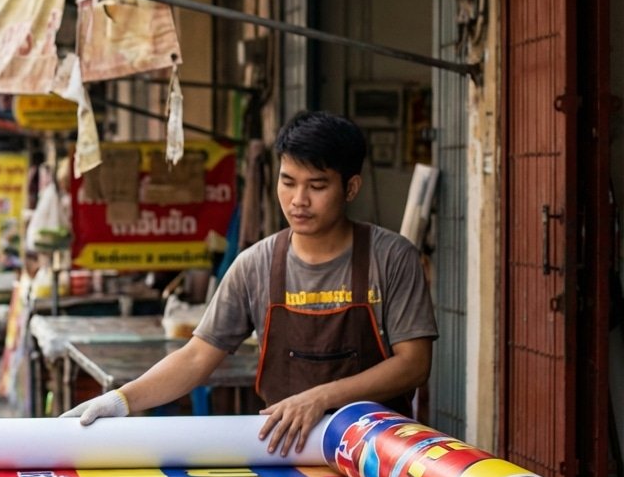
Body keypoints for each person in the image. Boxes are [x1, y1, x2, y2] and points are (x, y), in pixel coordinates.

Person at [64, 111, 437, 456]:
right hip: (287, 452)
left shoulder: (391, 257)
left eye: (317, 186)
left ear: (351, 188)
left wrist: (319, 399)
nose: (298, 200)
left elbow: (413, 365)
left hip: (375, 458)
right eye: (288, 182)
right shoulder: (255, 265)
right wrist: (120, 401)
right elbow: (196, 357)